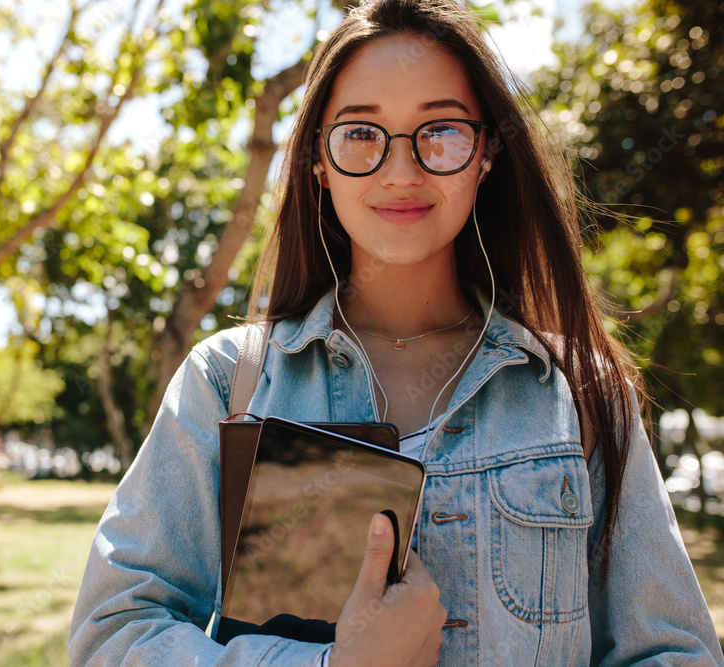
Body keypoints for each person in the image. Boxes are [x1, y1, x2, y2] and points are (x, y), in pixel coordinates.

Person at [69, 0, 724, 664]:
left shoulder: (580, 391)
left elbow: (672, 652)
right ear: (318, 160)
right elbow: (114, 630)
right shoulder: (227, 380)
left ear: (487, 151)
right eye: (361, 132)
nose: (402, 170)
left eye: (439, 129)